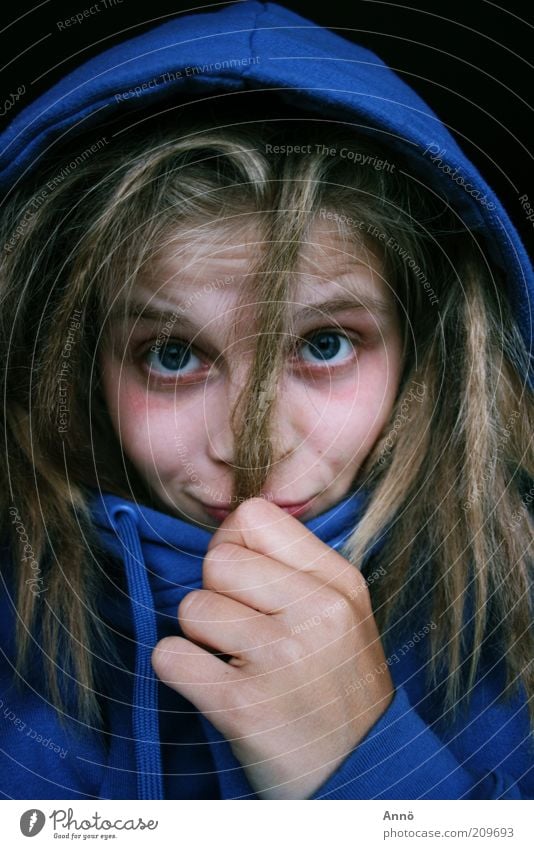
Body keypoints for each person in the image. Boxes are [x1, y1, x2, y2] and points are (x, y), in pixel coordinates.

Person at [0, 1, 532, 801]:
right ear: (79, 369)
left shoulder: (516, 633)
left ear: (425, 353)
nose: (253, 445)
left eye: (324, 344)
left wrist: (368, 767)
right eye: (172, 354)